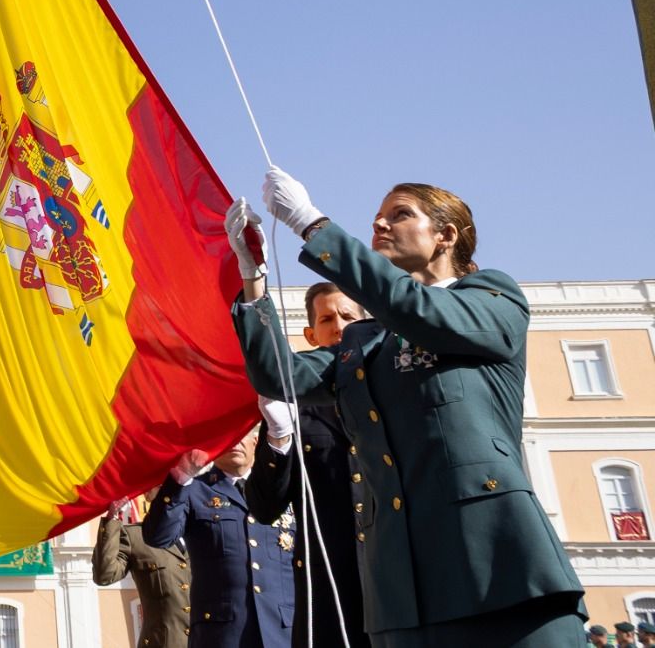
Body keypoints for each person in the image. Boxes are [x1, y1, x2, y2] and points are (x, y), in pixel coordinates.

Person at [224, 169, 586, 646]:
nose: (379, 225)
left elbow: (417, 310)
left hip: (497, 567)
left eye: (399, 215)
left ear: (446, 236)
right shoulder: (362, 342)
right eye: (376, 217)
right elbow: (279, 376)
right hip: (402, 588)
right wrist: (253, 278)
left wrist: (313, 225)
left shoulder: (492, 298)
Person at [242, 283, 369, 647]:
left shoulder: (391, 392)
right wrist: (280, 435)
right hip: (330, 592)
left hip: (396, 581)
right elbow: (265, 506)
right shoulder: (299, 408)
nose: (339, 327)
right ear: (311, 335)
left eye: (348, 316)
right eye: (327, 319)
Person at [142, 428, 296, 648]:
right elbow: (159, 537)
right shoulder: (193, 489)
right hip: (222, 635)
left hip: (284, 633)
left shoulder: (282, 489)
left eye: (241, 433)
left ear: (255, 440)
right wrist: (181, 478)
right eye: (228, 434)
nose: (235, 441)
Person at [92, 490, 191, 648]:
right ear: (148, 495)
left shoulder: (201, 533)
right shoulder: (135, 536)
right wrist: (112, 520)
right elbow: (105, 575)